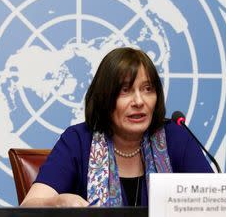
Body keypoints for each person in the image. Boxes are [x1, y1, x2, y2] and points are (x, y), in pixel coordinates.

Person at [21, 47, 212, 207]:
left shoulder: (175, 137)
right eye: (125, 90)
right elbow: (28, 206)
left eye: (148, 89)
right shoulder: (78, 141)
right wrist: (57, 203)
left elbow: (213, 203)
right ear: (105, 97)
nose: (139, 101)